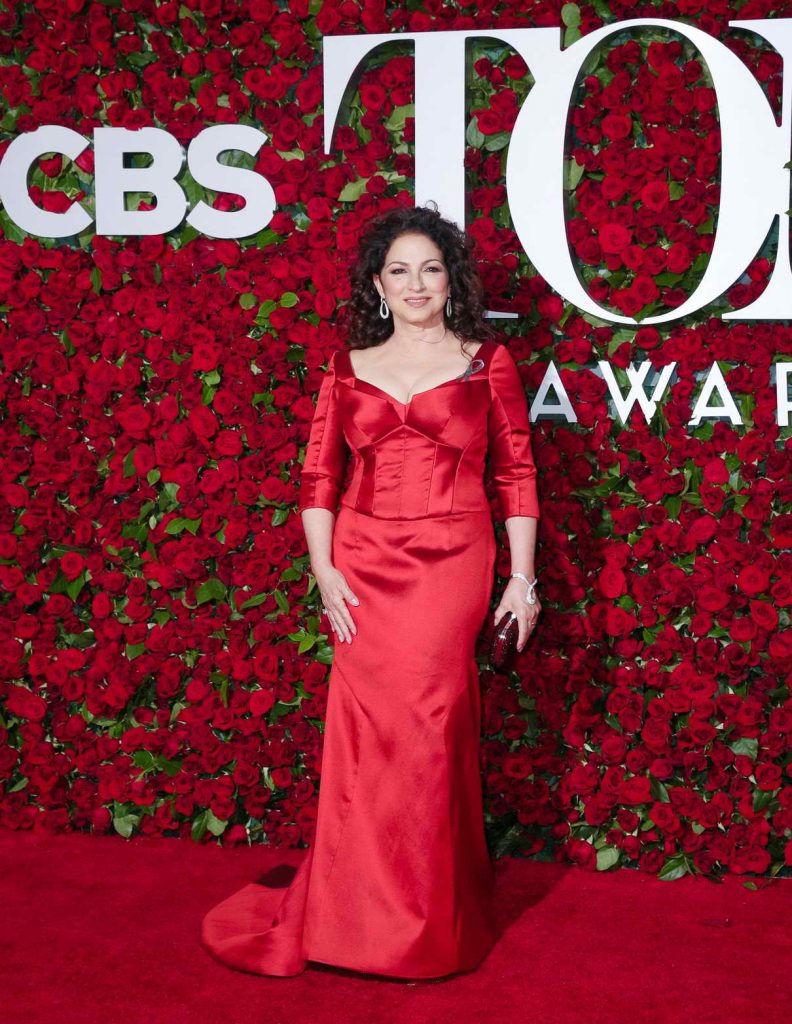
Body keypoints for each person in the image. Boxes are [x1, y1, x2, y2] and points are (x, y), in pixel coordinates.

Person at [201, 204, 541, 981]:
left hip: (453, 558)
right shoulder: (346, 367)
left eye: (430, 268)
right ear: (379, 287)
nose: (417, 283)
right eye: (400, 271)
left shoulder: (487, 361)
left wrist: (522, 581)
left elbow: (517, 475)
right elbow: (318, 477)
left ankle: (424, 919)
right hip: (360, 560)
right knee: (365, 736)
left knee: (430, 728)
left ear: (450, 279)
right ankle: (353, 913)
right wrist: (324, 571)